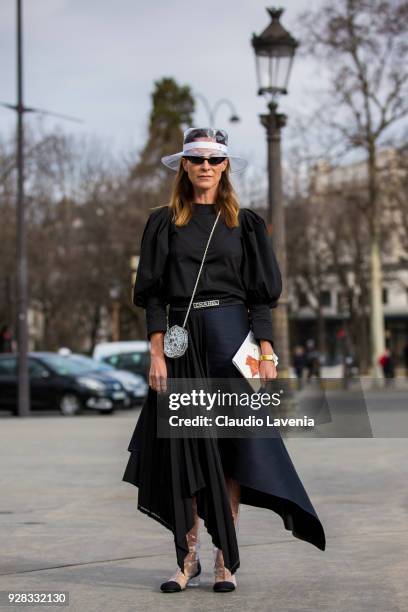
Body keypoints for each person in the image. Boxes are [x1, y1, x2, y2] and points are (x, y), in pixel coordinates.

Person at [123, 127, 326, 594]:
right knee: (187, 449)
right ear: (184, 166)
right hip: (183, 342)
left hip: (235, 342)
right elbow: (152, 294)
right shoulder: (162, 222)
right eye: (197, 160)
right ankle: (187, 556)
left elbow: (260, 298)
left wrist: (268, 351)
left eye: (214, 160)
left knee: (233, 450)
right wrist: (156, 351)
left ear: (226, 166)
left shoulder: (245, 224)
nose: (206, 168)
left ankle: (224, 560)